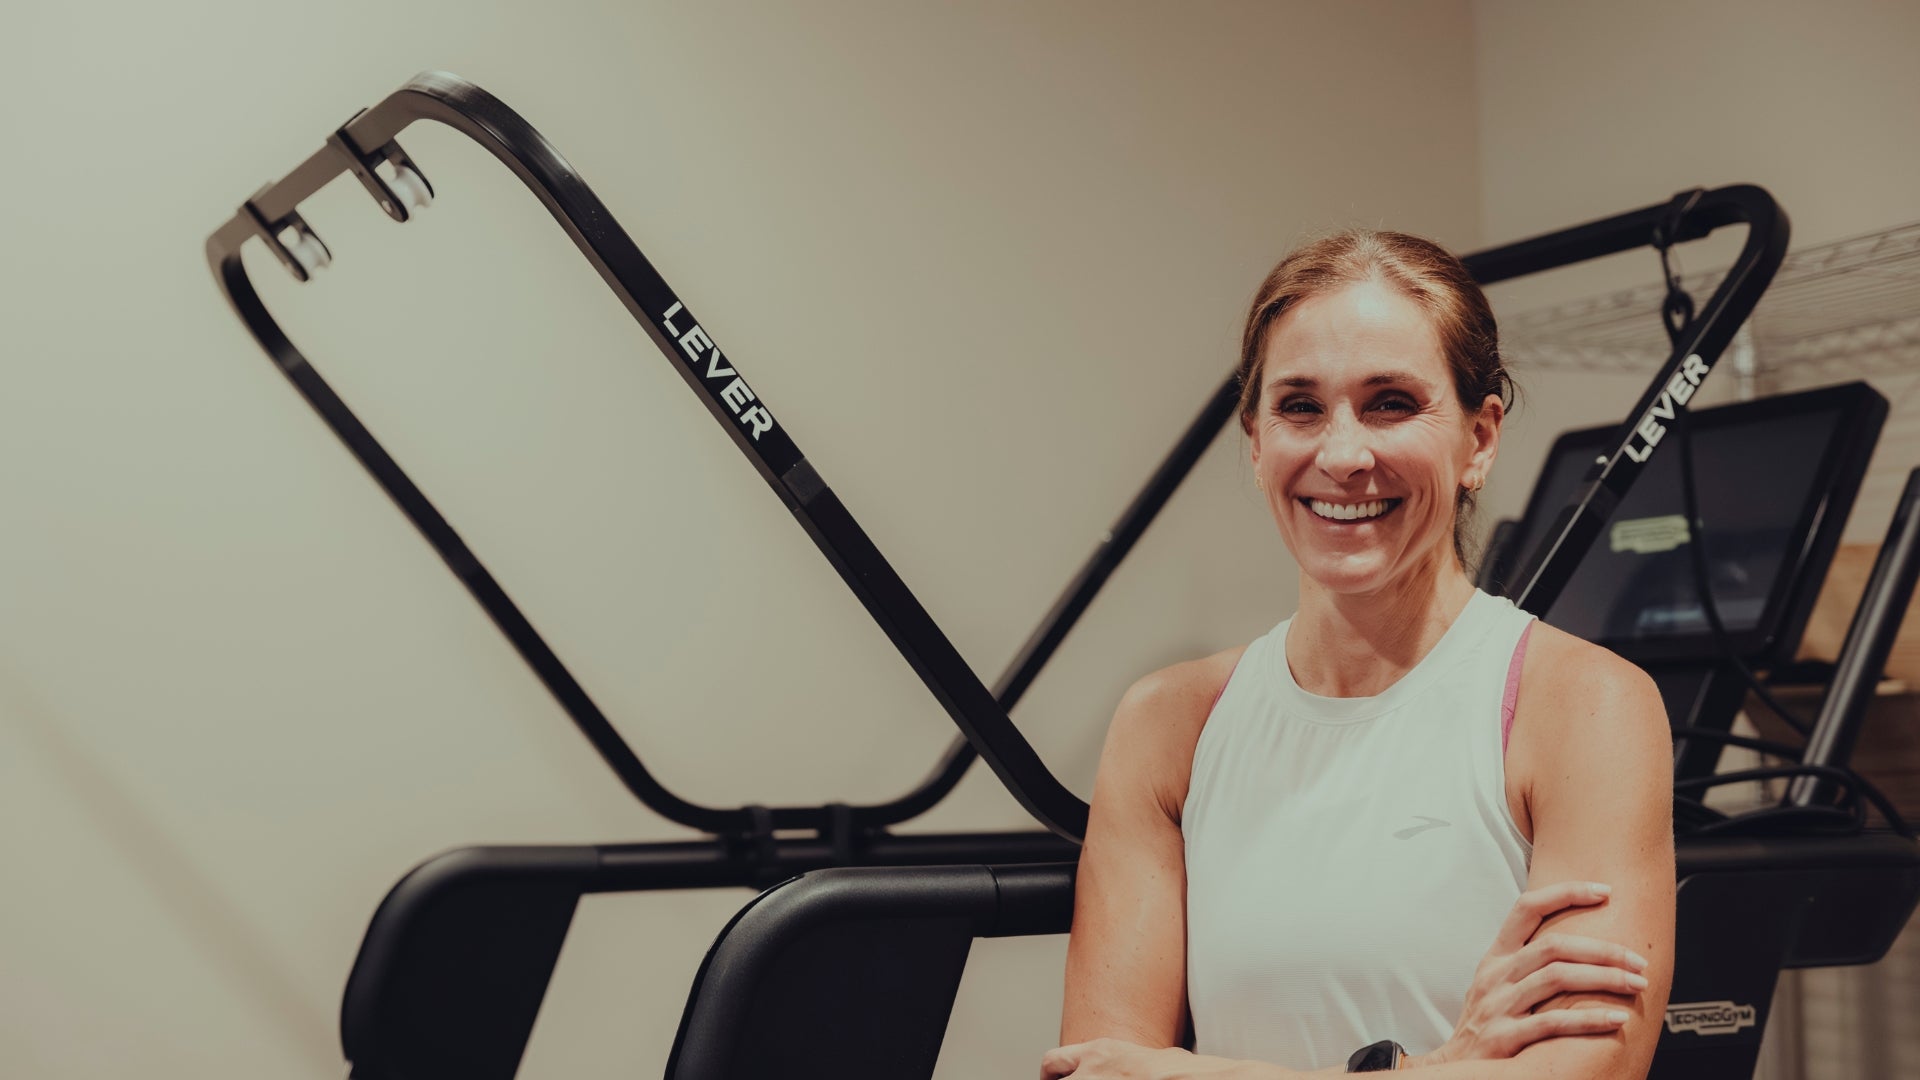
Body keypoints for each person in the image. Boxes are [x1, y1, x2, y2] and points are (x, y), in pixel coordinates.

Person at [1042, 231, 1676, 1078]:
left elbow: (1584, 1072)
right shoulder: (1168, 725)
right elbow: (1096, 1072)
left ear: (1479, 439)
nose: (1342, 456)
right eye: (1300, 407)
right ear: (1256, 441)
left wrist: (1188, 1073)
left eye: (1391, 403)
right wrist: (1441, 1067)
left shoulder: (1584, 707)